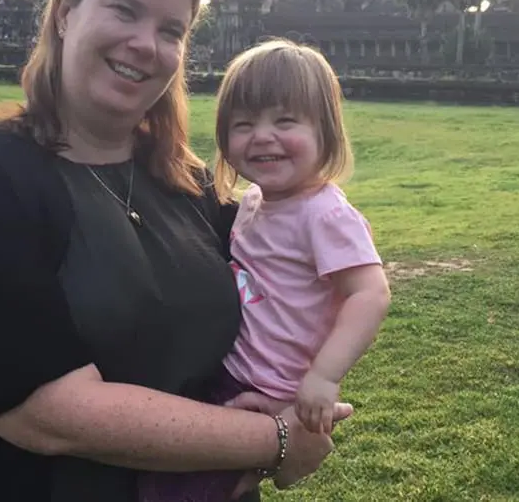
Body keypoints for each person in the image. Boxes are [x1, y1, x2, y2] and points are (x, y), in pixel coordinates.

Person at [0, 0, 354, 502]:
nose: (145, 44)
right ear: (64, 12)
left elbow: (296, 296)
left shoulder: (193, 188)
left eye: (170, 31)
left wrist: (295, 392)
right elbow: (49, 413)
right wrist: (275, 439)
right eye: (125, 11)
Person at [138, 39, 392, 501]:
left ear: (326, 132)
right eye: (243, 124)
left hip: (266, 383)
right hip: (229, 369)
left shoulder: (324, 214)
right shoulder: (255, 200)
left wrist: (322, 378)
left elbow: (369, 294)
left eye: (285, 120)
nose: (262, 136)